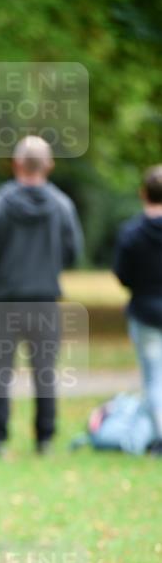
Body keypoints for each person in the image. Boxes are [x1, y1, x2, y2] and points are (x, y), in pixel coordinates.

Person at [0, 136, 84, 456]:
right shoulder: (62, 206)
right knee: (46, 373)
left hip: (1, 303)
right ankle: (44, 440)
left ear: (16, 163)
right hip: (45, 301)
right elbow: (73, 254)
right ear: (48, 165)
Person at [114, 164, 162, 456]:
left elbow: (123, 274)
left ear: (143, 193)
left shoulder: (131, 232)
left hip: (145, 313)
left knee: (154, 379)